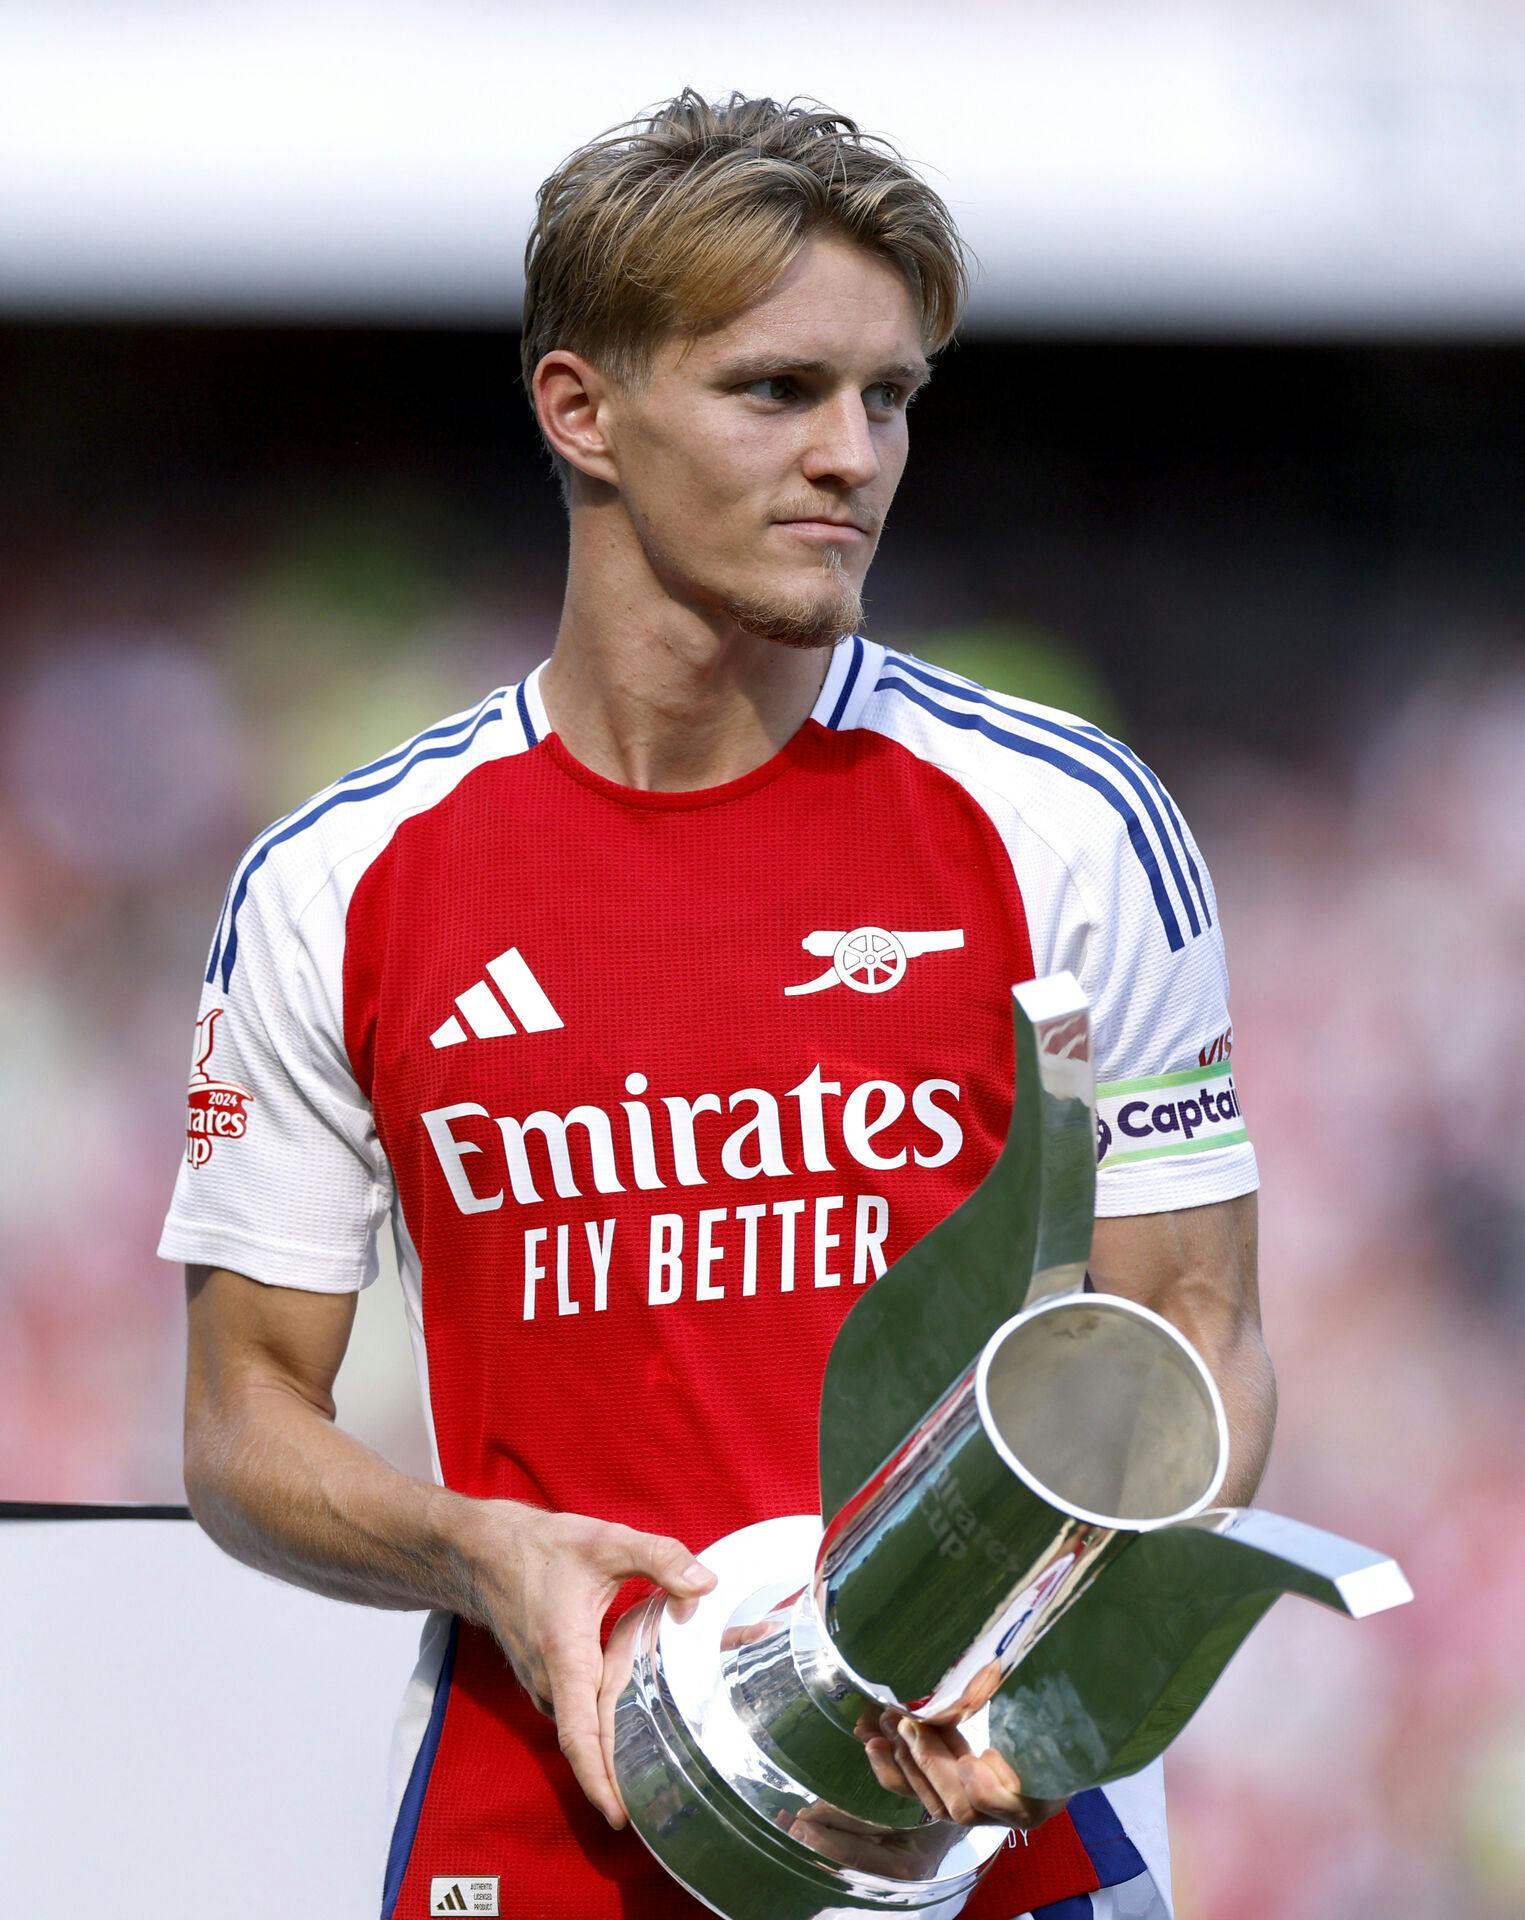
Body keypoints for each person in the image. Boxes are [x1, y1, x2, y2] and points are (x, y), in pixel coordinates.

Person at [159, 91, 1273, 1920]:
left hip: (982, 1842)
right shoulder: (337, 881)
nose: (852, 455)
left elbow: (1197, 1333)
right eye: (776, 391)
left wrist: (1047, 1662)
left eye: (891, 397)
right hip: (543, 1839)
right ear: (578, 411)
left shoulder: (1067, 823)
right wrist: (472, 1548)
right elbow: (240, 1425)